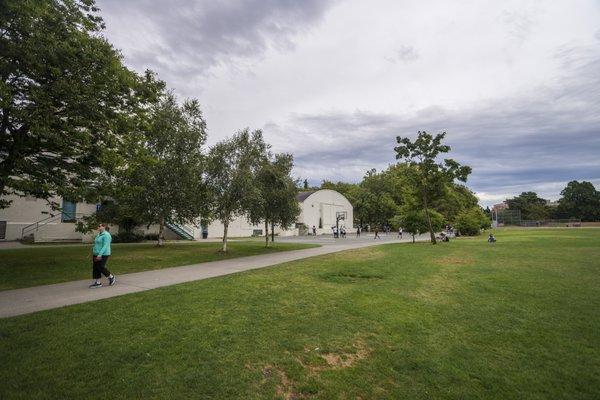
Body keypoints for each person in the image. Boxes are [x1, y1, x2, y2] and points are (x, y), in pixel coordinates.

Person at [89, 223, 115, 288]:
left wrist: (100, 254)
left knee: (101, 266)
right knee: (95, 267)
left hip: (104, 254)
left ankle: (111, 277)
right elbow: (97, 243)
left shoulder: (106, 235)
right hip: (96, 254)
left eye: (99, 226)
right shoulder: (99, 234)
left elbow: (105, 245)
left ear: (103, 227)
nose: (98, 227)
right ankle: (98, 283)